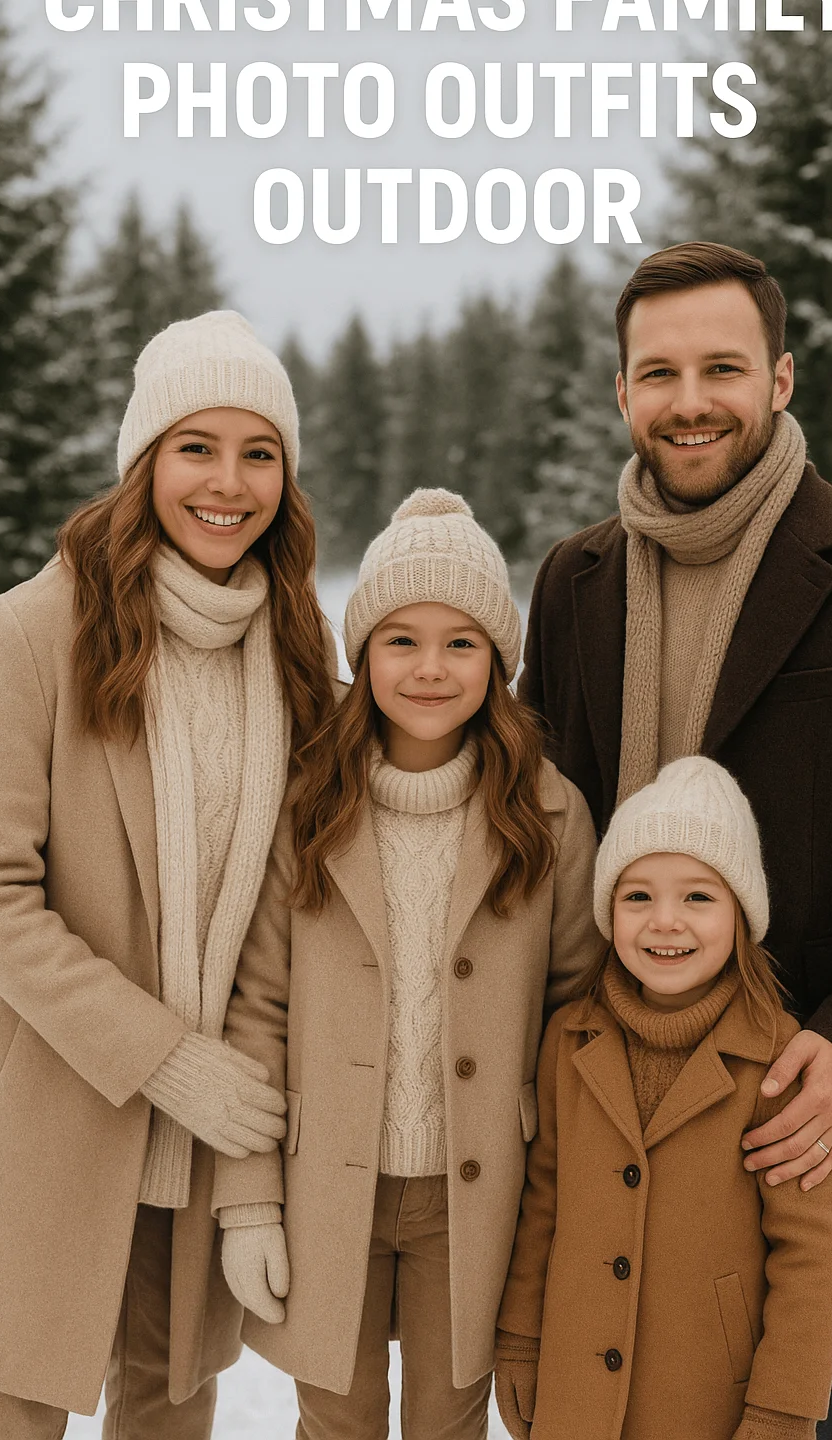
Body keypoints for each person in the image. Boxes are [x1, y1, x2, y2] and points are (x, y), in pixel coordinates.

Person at [519, 241, 832, 1439]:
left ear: (778, 379)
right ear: (621, 393)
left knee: (807, 1420)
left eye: (722, 367)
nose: (689, 400)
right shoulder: (573, 583)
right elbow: (539, 829)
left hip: (784, 1123)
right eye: (657, 373)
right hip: (606, 1121)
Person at [0, 310, 336, 1437]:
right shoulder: (32, 633)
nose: (228, 483)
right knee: (14, 1410)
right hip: (54, 1107)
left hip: (212, 1139)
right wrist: (162, 1060)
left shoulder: (302, 650)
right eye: (195, 448)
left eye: (258, 453)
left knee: (170, 1412)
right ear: (143, 462)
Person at [212, 488, 603, 1440]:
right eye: (401, 640)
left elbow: (577, 1011)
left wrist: (565, 1206)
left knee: (449, 1421)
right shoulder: (309, 803)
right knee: (335, 1422)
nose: (431, 668)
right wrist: (248, 1203)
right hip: (325, 1184)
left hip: (477, 1194)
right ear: (363, 653)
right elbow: (257, 1009)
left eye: (462, 642)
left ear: (499, 661)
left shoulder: (548, 815)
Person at [495, 756, 832, 1440]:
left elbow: (812, 1253)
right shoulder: (569, 1038)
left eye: (697, 897)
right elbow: (542, 1202)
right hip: (576, 1393)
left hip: (706, 1400)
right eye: (638, 897)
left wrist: (783, 1408)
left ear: (740, 913)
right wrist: (518, 1337)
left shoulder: (780, 1059)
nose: (665, 922)